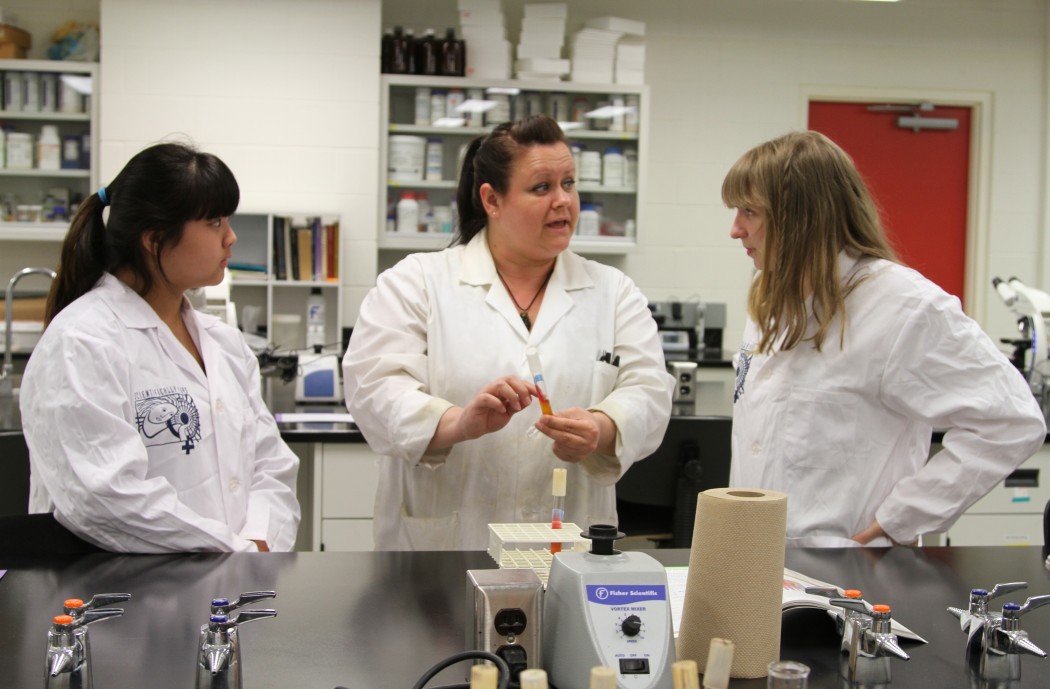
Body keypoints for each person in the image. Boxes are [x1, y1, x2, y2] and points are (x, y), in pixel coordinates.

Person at [344, 114, 674, 550]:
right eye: (542, 187)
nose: (563, 201)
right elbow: (375, 390)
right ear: (491, 200)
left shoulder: (614, 293)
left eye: (569, 183)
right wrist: (458, 422)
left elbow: (649, 390)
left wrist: (603, 426)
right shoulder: (416, 282)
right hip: (445, 547)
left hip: (569, 547)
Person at [723, 130, 1046, 547]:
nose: (735, 230)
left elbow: (1011, 421)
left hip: (850, 571)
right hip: (758, 561)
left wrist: (900, 520)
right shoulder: (772, 304)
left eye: (750, 211)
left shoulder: (903, 307)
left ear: (802, 217)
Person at [20, 142, 301, 553]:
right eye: (215, 222)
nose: (231, 237)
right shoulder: (81, 342)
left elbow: (271, 466)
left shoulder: (224, 344)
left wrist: (259, 542)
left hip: (234, 590)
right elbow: (108, 499)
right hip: (126, 599)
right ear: (154, 240)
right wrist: (234, 552)